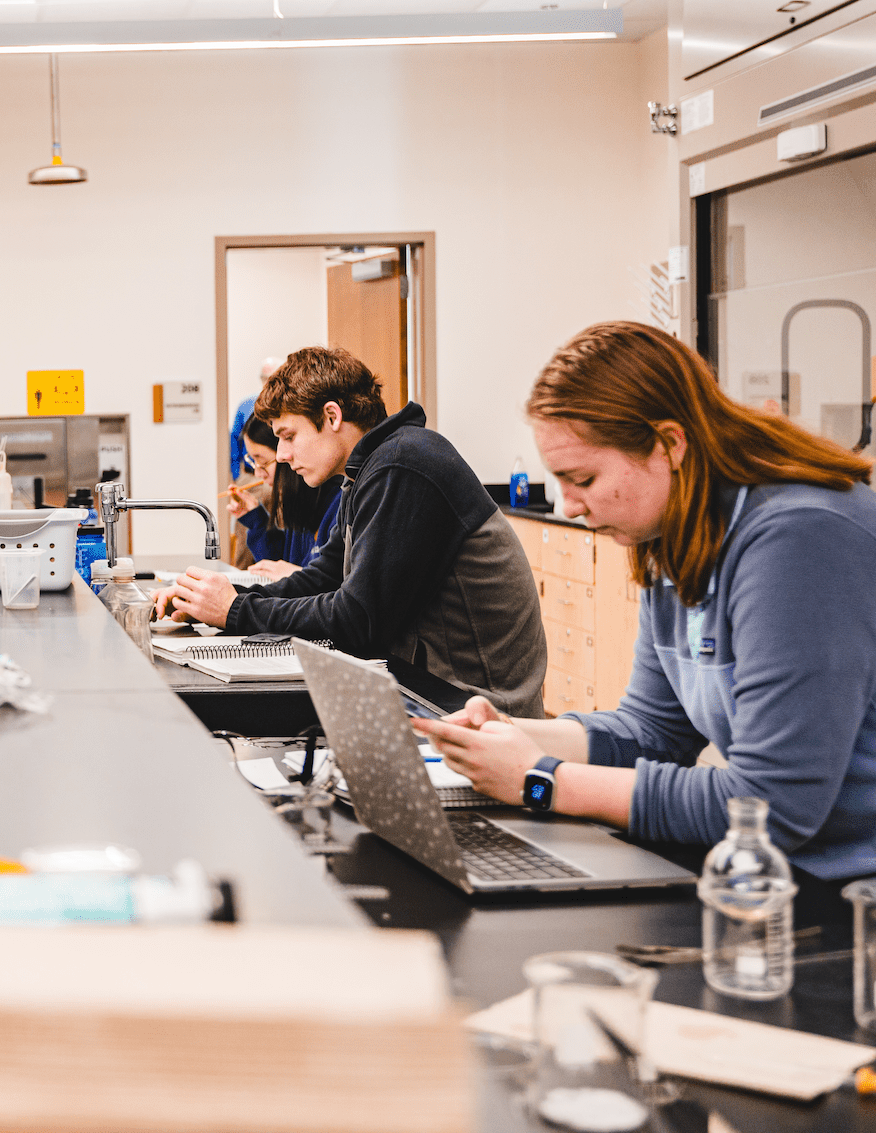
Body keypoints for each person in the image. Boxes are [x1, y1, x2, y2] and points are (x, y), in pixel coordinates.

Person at [414, 321, 876, 879]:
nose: (569, 506)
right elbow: (655, 731)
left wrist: (540, 780)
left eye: (582, 477)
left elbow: (771, 806)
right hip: (786, 875)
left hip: (847, 892)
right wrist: (511, 738)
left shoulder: (800, 538)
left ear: (669, 445)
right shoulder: (675, 535)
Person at [158, 345, 546, 716]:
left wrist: (235, 610)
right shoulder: (367, 471)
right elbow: (322, 580)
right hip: (429, 689)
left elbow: (357, 619)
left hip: (476, 707)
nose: (282, 455)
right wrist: (217, 603)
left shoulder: (403, 464)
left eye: (289, 436)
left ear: (331, 417)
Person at [228, 412, 341, 581]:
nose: (259, 473)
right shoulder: (299, 502)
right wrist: (255, 519)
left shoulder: (337, 501)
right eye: (253, 462)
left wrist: (298, 576)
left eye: (262, 461)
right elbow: (281, 565)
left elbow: (331, 588)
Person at [229, 355, 285, 481]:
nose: (268, 383)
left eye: (273, 378)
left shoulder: (287, 407)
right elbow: (234, 439)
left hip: (279, 473)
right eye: (264, 378)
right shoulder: (246, 406)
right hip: (250, 473)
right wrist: (236, 474)